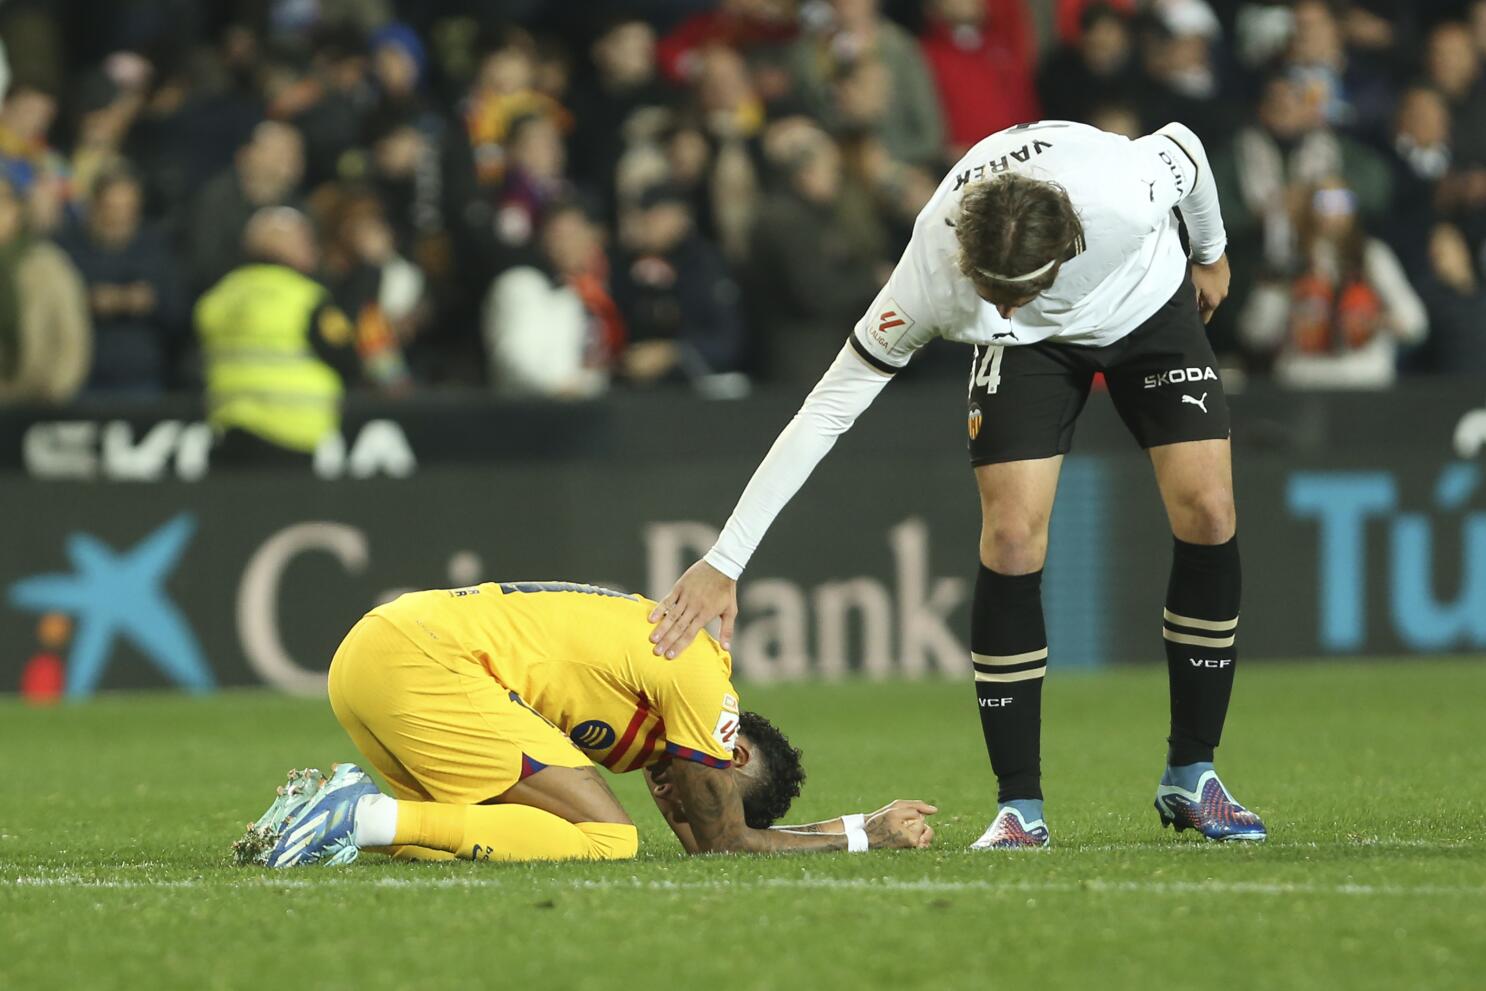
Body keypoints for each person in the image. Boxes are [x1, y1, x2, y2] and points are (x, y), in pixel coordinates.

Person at [648, 119, 1269, 849]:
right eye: (990, 289)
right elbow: (830, 406)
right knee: (1010, 536)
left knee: (1209, 507)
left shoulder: (1122, 197)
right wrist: (726, 559)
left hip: (1148, 301)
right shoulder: (933, 266)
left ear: (1067, 245)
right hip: (1032, 353)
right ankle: (1020, 809)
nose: (1000, 305)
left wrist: (1212, 252)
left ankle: (1194, 772)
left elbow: (1190, 147)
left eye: (1018, 290)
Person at [236, 580, 937, 866]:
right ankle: (358, 816)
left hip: (375, 655)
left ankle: (321, 813)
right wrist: (864, 837)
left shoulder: (667, 731)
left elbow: (707, 841)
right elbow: (724, 840)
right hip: (426, 658)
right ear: (734, 744)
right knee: (607, 839)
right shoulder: (704, 681)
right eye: (708, 784)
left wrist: (853, 825)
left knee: (467, 843)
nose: (676, 797)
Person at [194, 207, 357, 468]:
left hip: (227, 430)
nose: (311, 249)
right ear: (283, 245)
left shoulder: (217, 297)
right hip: (291, 433)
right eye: (304, 240)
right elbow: (348, 356)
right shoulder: (307, 299)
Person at [1237, 181, 1426, 388]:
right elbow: (1256, 334)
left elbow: (1415, 323)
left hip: (1364, 378)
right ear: (1309, 208)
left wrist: (1376, 320)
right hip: (1304, 380)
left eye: (1343, 202)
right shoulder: (1292, 260)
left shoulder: (1372, 257)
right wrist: (1279, 289)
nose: (1334, 212)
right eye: (1325, 203)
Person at [57, 168, 182, 395]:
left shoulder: (155, 249)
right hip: (81, 377)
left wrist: (148, 302)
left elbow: (178, 311)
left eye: (128, 208)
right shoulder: (68, 248)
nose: (120, 217)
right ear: (94, 206)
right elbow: (51, 308)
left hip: (142, 378)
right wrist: (85, 301)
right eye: (112, 208)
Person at [0, 175, 89, 404]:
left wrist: (58, 390)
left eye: (3, 201)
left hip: (38, 403)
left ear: (18, 210)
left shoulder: (47, 265)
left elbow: (71, 334)